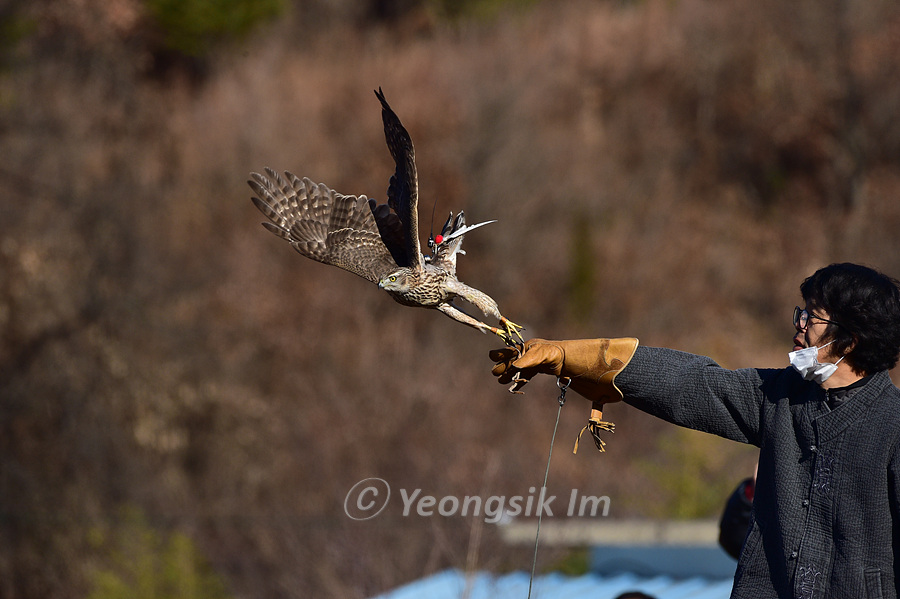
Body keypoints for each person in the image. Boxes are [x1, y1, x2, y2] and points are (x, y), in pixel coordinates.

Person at [490, 263, 900, 599]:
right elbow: (693, 384)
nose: (800, 323)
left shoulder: (893, 425)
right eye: (802, 311)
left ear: (849, 341)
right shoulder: (779, 396)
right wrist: (575, 357)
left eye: (813, 316)